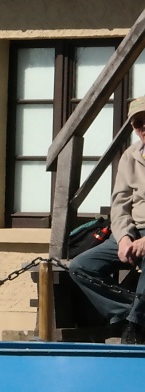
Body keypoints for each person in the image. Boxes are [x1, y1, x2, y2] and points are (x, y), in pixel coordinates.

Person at [69, 96, 145, 344]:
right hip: (132, 231)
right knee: (81, 266)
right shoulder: (130, 157)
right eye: (138, 124)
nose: (144, 127)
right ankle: (130, 313)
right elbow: (120, 203)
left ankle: (135, 326)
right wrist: (123, 238)